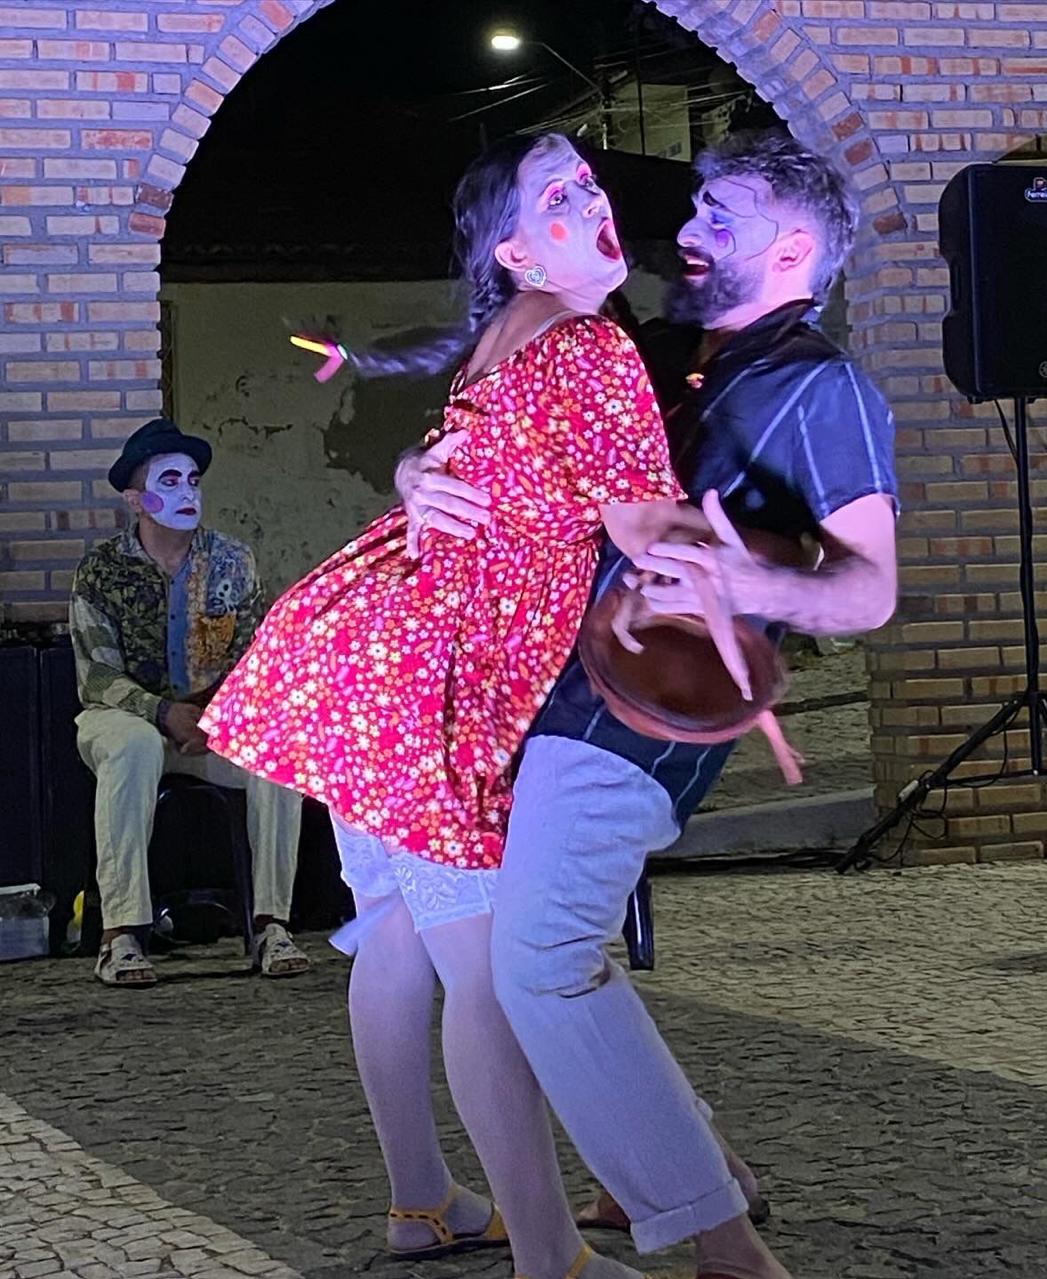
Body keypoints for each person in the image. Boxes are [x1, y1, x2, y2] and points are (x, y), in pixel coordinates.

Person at [201, 132, 723, 1279]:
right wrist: (769, 560)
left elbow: (464, 471)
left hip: (366, 658)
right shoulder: (587, 340)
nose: (588, 195)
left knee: (396, 932)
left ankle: (422, 1199)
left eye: (585, 180)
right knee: (485, 971)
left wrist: (409, 472)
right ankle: (549, 1255)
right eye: (555, 193)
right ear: (513, 249)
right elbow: (645, 529)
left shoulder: (507, 339)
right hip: (432, 687)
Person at [399, 130, 899, 1279]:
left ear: (792, 249)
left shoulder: (819, 386)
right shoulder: (648, 345)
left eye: (720, 215)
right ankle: (696, 1167)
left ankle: (727, 1250)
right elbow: (502, 439)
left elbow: (868, 588)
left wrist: (747, 578)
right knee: (546, 955)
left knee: (540, 958)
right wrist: (416, 474)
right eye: (693, 208)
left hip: (640, 710)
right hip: (540, 686)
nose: (685, 229)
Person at [70, 418, 309, 987]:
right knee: (132, 746)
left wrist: (217, 716)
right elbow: (96, 676)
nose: (186, 492)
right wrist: (163, 713)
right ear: (136, 499)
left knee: (278, 752)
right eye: (169, 480)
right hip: (125, 718)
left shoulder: (232, 561)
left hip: (210, 723)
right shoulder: (101, 571)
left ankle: (272, 926)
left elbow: (255, 658)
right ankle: (121, 936)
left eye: (193, 480)